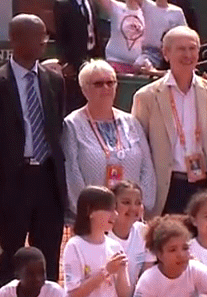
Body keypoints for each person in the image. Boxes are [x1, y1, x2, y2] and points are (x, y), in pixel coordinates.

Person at [0, 14, 67, 283]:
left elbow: (56, 129)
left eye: (44, 35)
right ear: (15, 40)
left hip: (48, 182)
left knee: (48, 256)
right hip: (9, 186)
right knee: (7, 258)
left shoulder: (55, 81)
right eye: (37, 35)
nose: (44, 41)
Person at [132, 27, 207, 217]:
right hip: (167, 187)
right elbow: (139, 149)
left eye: (192, 48)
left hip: (204, 185)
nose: (188, 54)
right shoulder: (146, 96)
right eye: (181, 49)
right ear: (166, 53)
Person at [62, 60, 157, 217]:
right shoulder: (72, 124)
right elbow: (72, 172)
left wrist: (141, 205)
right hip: (94, 217)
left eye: (110, 83)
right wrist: (87, 210)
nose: (106, 88)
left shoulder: (131, 122)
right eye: (98, 84)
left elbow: (147, 166)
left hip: (131, 217)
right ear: (84, 89)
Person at [54, 0, 101, 109]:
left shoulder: (91, 3)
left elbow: (95, 28)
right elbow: (60, 34)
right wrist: (65, 61)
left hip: (92, 54)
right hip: (74, 58)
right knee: (75, 96)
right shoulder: (62, 4)